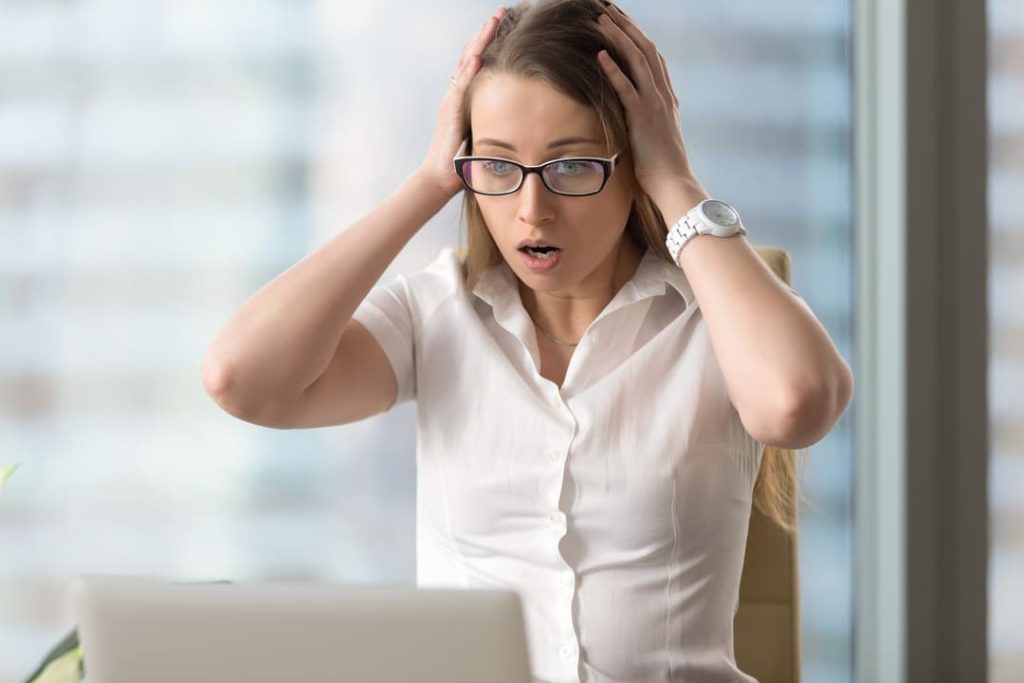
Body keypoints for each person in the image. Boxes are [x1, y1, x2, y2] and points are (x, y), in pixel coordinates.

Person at [202, 1, 854, 680]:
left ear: (630, 164)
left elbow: (795, 402)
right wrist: (429, 181)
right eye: (498, 166)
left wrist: (674, 179)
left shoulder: (715, 316)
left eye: (572, 167)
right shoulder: (439, 312)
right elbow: (240, 378)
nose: (531, 210)